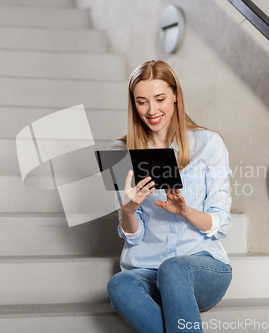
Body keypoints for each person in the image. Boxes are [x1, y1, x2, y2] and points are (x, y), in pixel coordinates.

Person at [106, 59, 232, 333]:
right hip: (148, 268)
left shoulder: (209, 144)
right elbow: (133, 236)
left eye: (159, 98)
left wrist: (186, 211)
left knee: (173, 269)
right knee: (119, 284)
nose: (152, 110)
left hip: (201, 267)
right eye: (142, 102)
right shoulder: (119, 152)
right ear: (133, 104)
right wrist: (128, 210)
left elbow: (222, 224)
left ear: (175, 95)